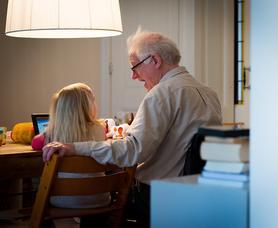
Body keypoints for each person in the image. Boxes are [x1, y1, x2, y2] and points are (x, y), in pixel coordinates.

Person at [42, 30, 222, 227]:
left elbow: (131, 152)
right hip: (197, 195)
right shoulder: (209, 93)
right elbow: (180, 139)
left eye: (135, 66)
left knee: (93, 212)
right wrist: (130, 130)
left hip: (158, 198)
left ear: (155, 60)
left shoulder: (161, 94)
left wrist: (75, 147)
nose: (134, 76)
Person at [32, 82, 110, 210]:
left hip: (63, 201)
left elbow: (35, 143)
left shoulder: (51, 134)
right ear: (89, 106)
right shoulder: (100, 129)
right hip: (99, 199)